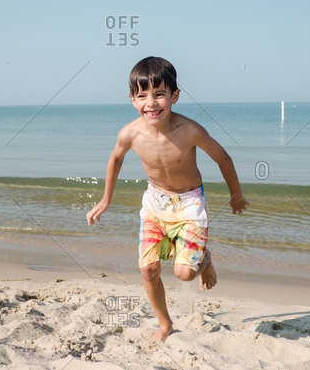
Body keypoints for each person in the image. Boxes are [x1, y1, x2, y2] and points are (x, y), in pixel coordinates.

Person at [86, 56, 249, 342]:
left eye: (159, 94)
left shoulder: (189, 131)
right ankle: (165, 324)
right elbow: (115, 158)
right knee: (148, 269)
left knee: (184, 273)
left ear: (174, 96)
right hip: (155, 203)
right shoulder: (130, 133)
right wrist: (105, 199)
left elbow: (223, 157)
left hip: (189, 204)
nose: (151, 102)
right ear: (133, 100)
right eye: (142, 95)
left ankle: (204, 260)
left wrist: (236, 196)